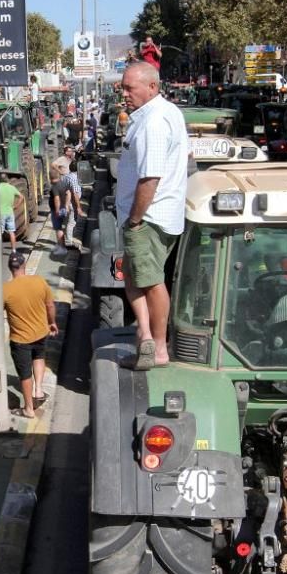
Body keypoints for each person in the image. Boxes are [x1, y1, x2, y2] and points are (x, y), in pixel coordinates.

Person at [116, 61, 189, 370]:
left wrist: (135, 219)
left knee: (149, 280)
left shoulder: (154, 123)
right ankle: (145, 334)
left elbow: (150, 178)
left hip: (149, 217)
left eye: (129, 88)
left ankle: (157, 346)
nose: (124, 94)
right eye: (123, 87)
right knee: (134, 275)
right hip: (161, 214)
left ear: (152, 87)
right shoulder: (167, 113)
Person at [2, 252, 58, 419]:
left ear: (10, 268)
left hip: (20, 339)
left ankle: (28, 408)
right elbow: (50, 305)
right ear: (24, 265)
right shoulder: (39, 281)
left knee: (25, 373)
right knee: (39, 357)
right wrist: (52, 322)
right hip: (41, 332)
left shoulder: (5, 290)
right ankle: (38, 390)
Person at [0, 173, 22, 252]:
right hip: (10, 212)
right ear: (7, 179)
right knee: (11, 232)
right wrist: (16, 206)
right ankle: (14, 250)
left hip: (0, 213)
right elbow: (21, 197)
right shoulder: (12, 188)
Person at [49, 173, 72, 255]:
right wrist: (67, 204)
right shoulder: (63, 183)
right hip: (64, 209)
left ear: (50, 178)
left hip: (58, 210)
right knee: (60, 228)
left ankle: (62, 248)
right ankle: (59, 245)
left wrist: (57, 210)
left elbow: (56, 198)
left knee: (58, 229)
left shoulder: (54, 187)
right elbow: (69, 193)